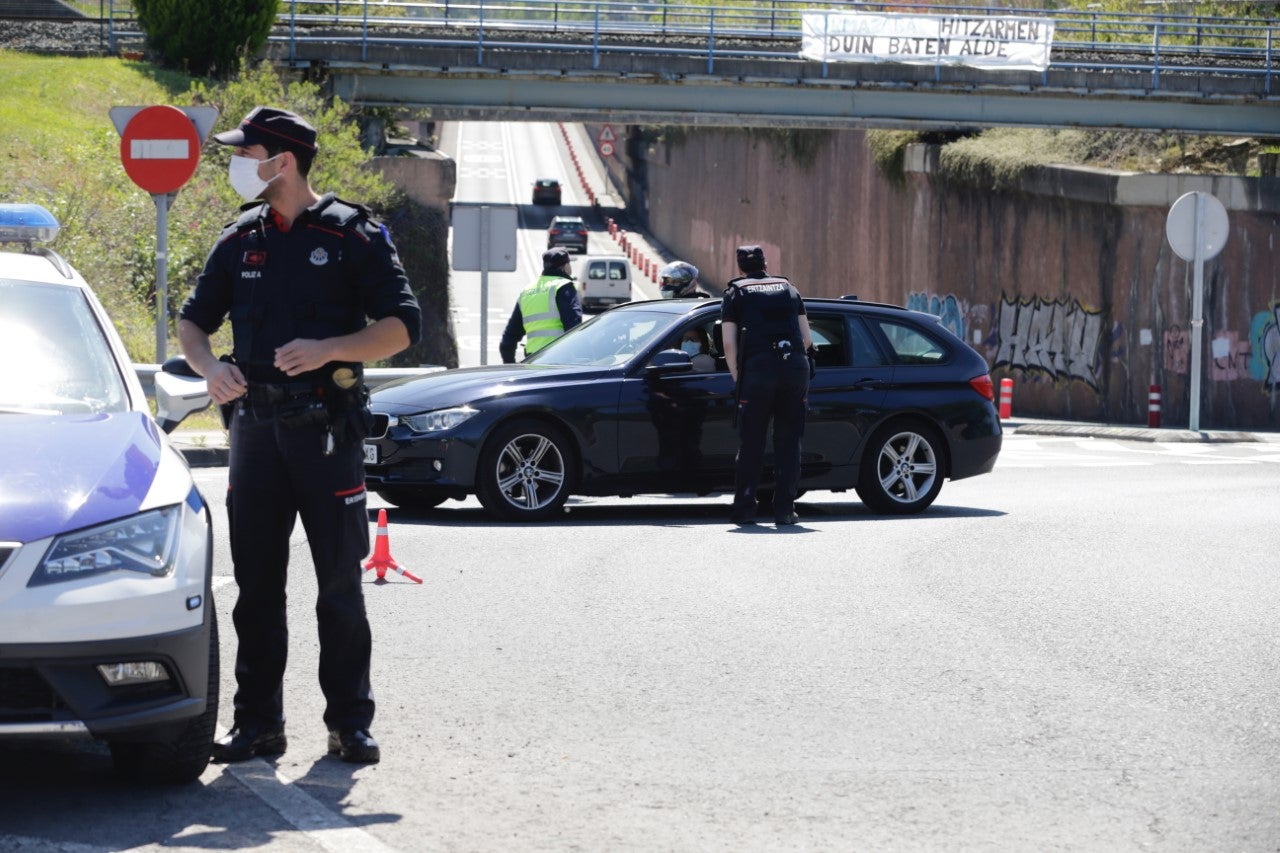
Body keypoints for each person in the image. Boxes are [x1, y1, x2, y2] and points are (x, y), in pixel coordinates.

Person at [177, 106, 422, 765]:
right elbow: (193, 324)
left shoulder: (353, 235)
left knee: (338, 583)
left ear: (281, 161)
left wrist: (329, 349)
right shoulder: (239, 238)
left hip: (324, 429)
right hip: (255, 430)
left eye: (245, 150)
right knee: (256, 585)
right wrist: (210, 369)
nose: (235, 163)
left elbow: (403, 326)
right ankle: (258, 725)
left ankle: (349, 722)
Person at [720, 244, 813, 526]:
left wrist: (739, 378)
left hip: (758, 374)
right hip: (794, 371)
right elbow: (807, 340)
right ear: (765, 263)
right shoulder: (789, 289)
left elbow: (727, 343)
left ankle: (745, 509)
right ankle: (785, 510)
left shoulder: (735, 293)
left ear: (739, 267)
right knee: (788, 443)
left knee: (752, 444)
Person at [499, 247, 583, 363]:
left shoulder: (527, 291)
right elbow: (574, 326)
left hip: (532, 361)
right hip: (559, 361)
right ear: (565, 267)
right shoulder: (563, 286)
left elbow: (508, 339)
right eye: (569, 263)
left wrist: (510, 366)